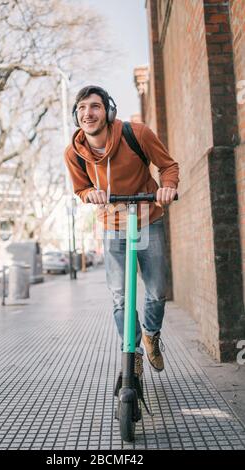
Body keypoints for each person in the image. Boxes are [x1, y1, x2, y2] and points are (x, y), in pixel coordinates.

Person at [64, 85, 179, 375]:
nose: (87, 113)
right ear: (76, 115)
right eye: (81, 108)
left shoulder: (136, 134)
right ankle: (134, 350)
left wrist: (168, 187)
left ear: (108, 110)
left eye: (94, 106)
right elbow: (81, 188)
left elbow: (167, 166)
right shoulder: (74, 152)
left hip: (147, 218)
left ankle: (152, 334)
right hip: (112, 225)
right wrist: (89, 193)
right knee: (119, 296)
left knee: (156, 291)